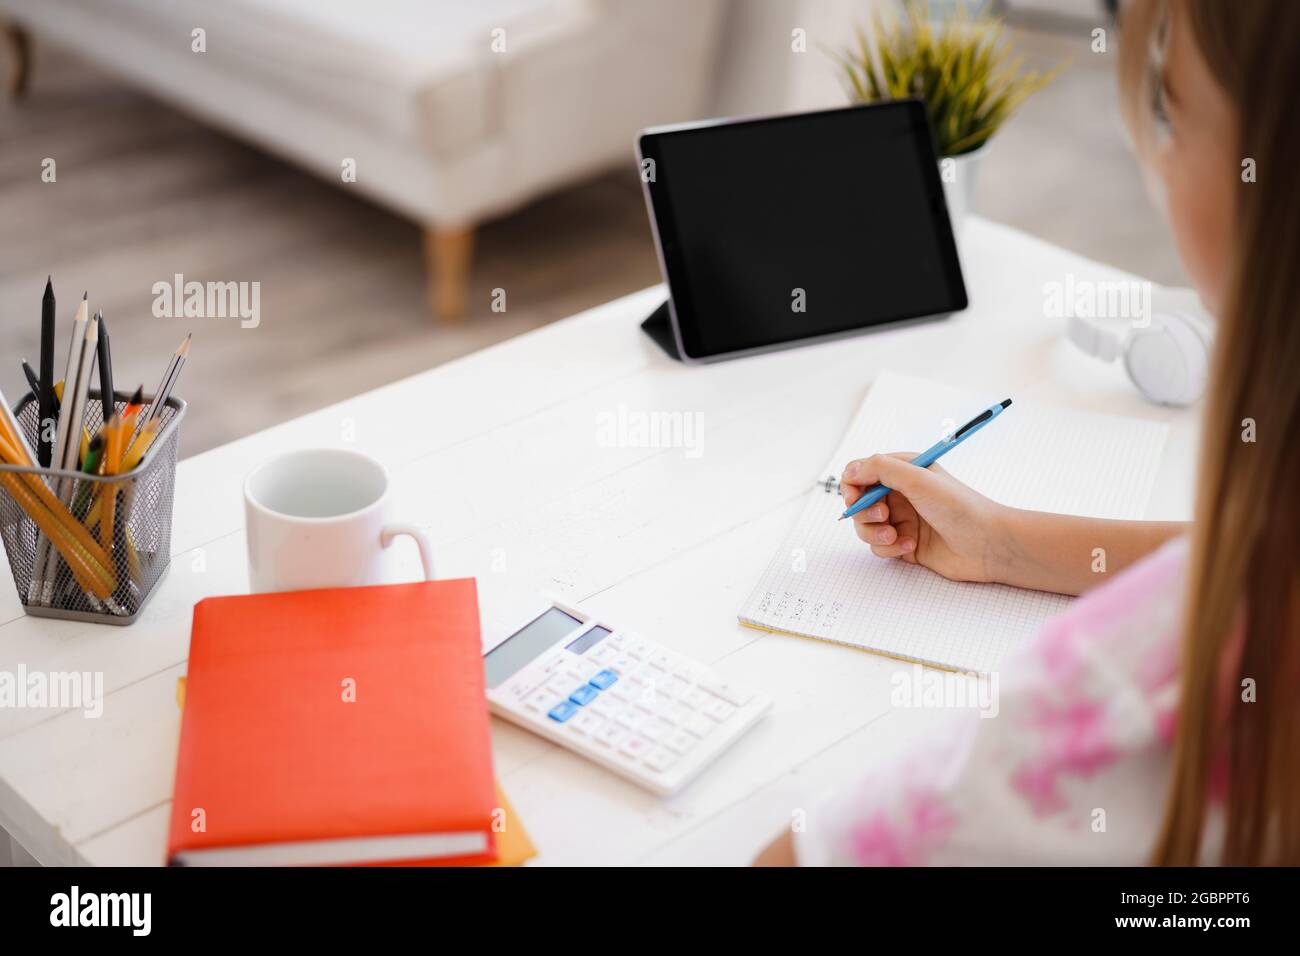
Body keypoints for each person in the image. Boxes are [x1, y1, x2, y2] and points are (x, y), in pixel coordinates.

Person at [755, 0, 1300, 866]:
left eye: (1171, 112)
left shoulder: (1143, 679)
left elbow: (798, 859)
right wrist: (1004, 545)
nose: (1156, 158)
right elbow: (1255, 550)